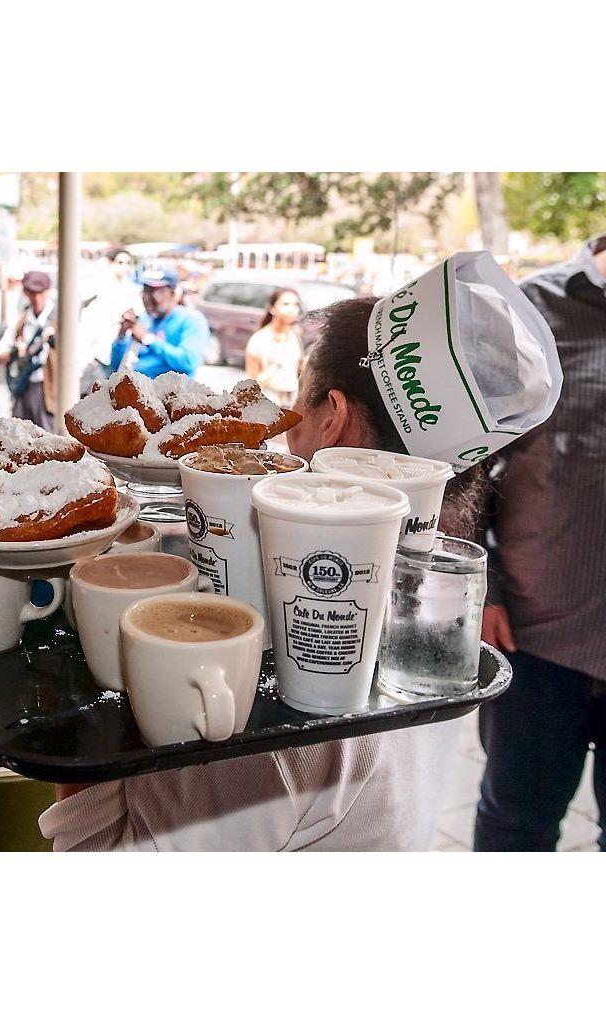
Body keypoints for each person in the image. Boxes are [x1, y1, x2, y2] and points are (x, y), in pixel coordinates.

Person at [40, 297, 476, 851]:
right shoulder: (427, 625)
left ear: (332, 419)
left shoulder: (288, 699)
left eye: (299, 395)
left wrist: (76, 697)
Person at [475, 234, 606, 852]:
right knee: (516, 827)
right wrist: (482, 587)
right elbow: (467, 462)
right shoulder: (532, 313)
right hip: (534, 637)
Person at [109, 267, 208, 379]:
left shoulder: (191, 320)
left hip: (170, 394)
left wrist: (148, 339)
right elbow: (117, 366)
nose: (147, 297)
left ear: (174, 293)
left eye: (154, 291)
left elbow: (188, 362)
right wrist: (121, 335)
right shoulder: (144, 319)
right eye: (145, 290)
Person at [0, 270, 56, 430]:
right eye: (31, 293)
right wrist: (15, 352)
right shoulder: (20, 321)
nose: (36, 298)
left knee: (49, 439)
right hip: (23, 387)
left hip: (48, 390)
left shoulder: (58, 320)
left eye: (40, 293)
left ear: (47, 291)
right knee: (18, 436)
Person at [244, 287, 304, 407]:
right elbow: (250, 386)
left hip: (292, 403)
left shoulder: (295, 333)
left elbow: (299, 367)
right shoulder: (259, 340)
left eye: (296, 305)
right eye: (286, 304)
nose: (292, 309)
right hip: (268, 406)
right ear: (272, 308)